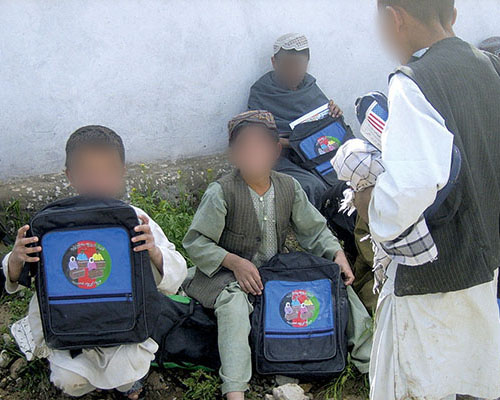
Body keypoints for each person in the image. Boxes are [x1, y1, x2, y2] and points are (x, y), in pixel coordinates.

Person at [353, 1, 500, 399]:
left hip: (433, 280)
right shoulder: (488, 66)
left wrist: (367, 199)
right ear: (451, 15)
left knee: (419, 385)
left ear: (395, 17)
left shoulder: (414, 80)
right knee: (470, 381)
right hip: (483, 268)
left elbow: (407, 193)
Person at [3, 126, 188, 399]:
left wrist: (153, 252)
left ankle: (127, 383)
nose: (98, 182)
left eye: (107, 172)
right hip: (72, 327)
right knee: (70, 381)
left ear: (122, 171)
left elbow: (175, 269)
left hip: (123, 324)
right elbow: (18, 275)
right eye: (88, 173)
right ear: (70, 175)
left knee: (129, 370)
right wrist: (18, 257)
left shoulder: (134, 221)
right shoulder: (53, 224)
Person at [182, 110, 354, 400]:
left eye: (261, 146)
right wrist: (234, 262)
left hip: (272, 274)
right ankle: (235, 387)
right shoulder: (222, 192)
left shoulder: (289, 186)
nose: (254, 154)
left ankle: (368, 356)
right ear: (232, 155)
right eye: (245, 147)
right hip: (225, 276)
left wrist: (336, 254)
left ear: (276, 151)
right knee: (234, 305)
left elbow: (313, 230)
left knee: (336, 284)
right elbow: (196, 242)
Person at [247, 33, 343, 209]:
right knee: (312, 186)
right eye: (288, 66)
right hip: (281, 156)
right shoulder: (262, 92)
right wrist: (294, 143)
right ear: (274, 62)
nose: (294, 73)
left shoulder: (309, 86)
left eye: (299, 66)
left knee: (344, 172)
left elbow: (325, 124)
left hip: (315, 151)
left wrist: (334, 113)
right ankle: (318, 228)